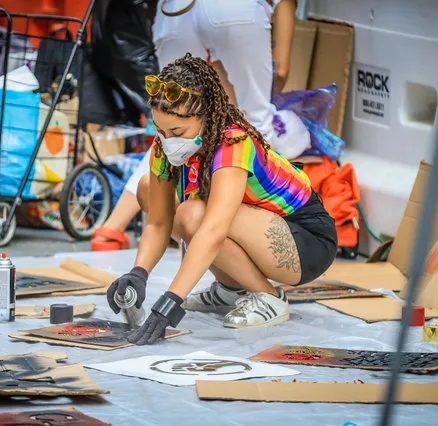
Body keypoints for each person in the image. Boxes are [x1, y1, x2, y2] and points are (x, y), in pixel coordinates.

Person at [106, 54, 337, 345]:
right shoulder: (165, 146)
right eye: (160, 131)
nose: (168, 140)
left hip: (307, 242)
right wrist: (138, 273)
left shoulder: (232, 143)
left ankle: (269, 296)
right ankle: (231, 290)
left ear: (206, 116)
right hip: (258, 230)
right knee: (146, 189)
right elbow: (158, 222)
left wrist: (169, 305)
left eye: (177, 132)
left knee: (194, 215)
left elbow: (213, 231)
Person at [91, 0, 301, 251]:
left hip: (175, 14)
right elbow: (281, 70)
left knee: (173, 130)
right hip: (235, 11)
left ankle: (110, 230)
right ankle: (284, 241)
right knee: (258, 124)